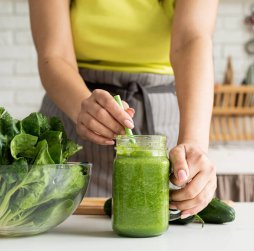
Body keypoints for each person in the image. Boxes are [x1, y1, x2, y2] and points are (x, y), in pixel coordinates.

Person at [29, 0, 218, 218]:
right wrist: (83, 107)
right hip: (73, 113)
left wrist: (194, 143)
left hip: (164, 118)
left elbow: (191, 40)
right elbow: (54, 55)